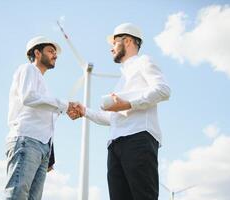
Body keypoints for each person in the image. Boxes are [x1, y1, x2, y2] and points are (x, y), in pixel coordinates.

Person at [69, 23, 171, 200]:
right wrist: (85, 111)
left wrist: (128, 104)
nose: (111, 49)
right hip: (115, 145)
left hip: (138, 139)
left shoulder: (143, 61)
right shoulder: (121, 80)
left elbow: (163, 90)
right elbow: (112, 118)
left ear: (129, 40)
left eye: (114, 43)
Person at [5, 36, 78, 200]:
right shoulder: (28, 69)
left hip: (41, 147)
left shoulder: (43, 85)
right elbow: (29, 98)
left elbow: (44, 119)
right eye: (51, 51)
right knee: (17, 194)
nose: (55, 55)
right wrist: (65, 106)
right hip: (27, 140)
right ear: (37, 53)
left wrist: (50, 154)